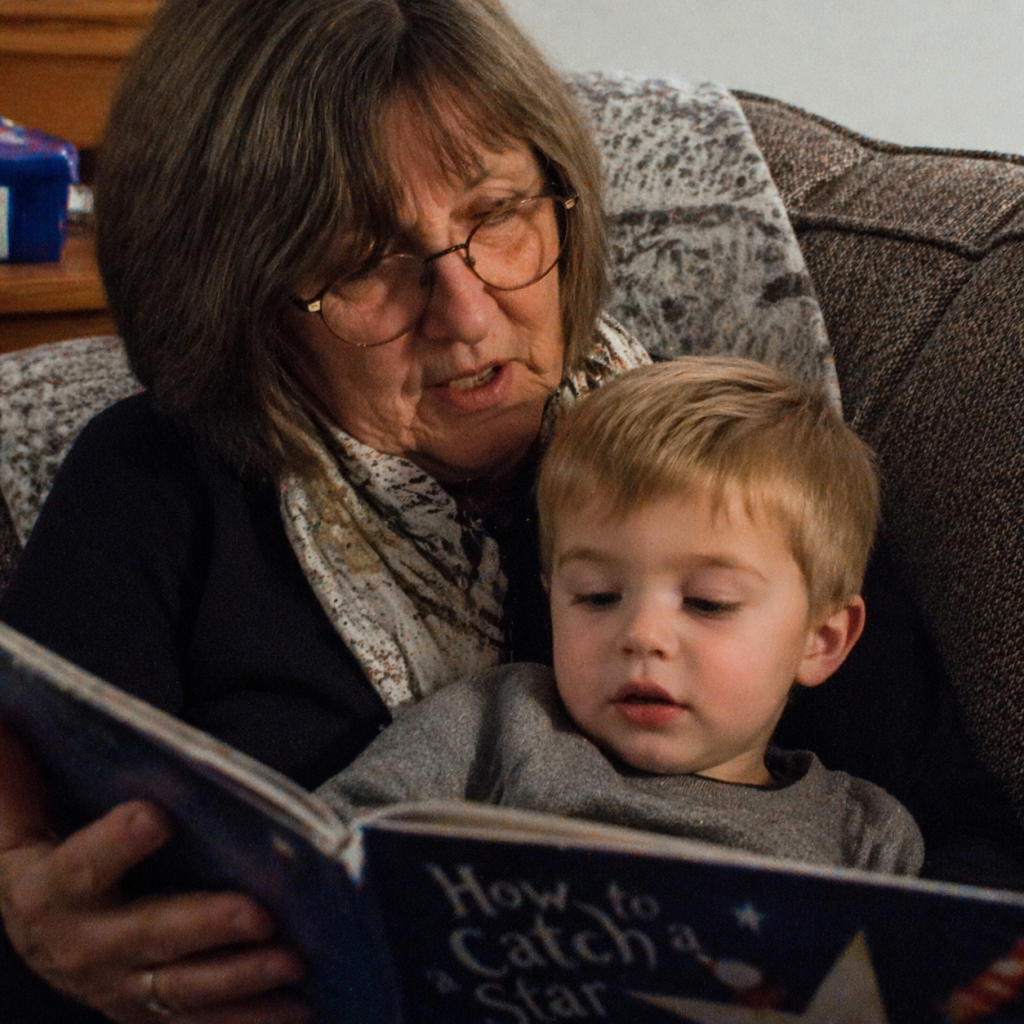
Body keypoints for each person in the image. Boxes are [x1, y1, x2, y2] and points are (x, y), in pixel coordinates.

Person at [0, 1, 1018, 1022]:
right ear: (239, 294)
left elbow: (965, 857)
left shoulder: (728, 475)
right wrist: (29, 919)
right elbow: (40, 840)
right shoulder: (155, 485)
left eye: (496, 216)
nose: (468, 312)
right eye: (363, 261)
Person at [319, 358, 924, 874]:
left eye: (708, 602)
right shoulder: (502, 723)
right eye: (598, 596)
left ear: (820, 640)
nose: (642, 636)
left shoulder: (863, 837)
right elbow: (325, 848)